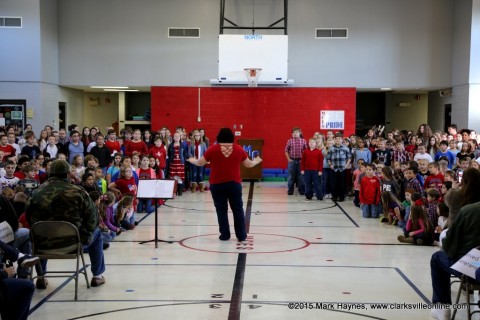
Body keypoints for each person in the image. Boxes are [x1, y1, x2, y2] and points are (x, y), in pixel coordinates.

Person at [25, 159, 106, 288]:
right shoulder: (78, 192)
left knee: (40, 231)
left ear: (50, 173)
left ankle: (41, 276)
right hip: (72, 244)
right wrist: (84, 235)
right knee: (97, 234)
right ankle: (97, 276)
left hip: (42, 244)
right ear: (68, 174)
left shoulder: (36, 192)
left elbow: (28, 218)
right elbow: (93, 219)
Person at [187, 127, 262, 241]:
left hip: (217, 185)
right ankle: (241, 235)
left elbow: (200, 162)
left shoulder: (212, 149)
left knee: (221, 209)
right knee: (237, 209)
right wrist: (256, 161)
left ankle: (225, 235)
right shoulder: (239, 149)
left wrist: (192, 160)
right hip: (234, 184)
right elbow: (248, 164)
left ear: (219, 137)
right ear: (232, 137)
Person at [326, 132, 352, 202]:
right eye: (336, 139)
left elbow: (349, 157)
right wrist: (330, 164)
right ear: (334, 139)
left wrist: (346, 165)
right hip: (334, 169)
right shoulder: (331, 148)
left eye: (339, 139)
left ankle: (341, 196)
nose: (338, 140)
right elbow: (328, 158)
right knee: (333, 183)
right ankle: (334, 196)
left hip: (342, 169)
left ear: (342, 139)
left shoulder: (345, 148)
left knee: (342, 183)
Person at [284, 127, 307, 195]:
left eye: (296, 132)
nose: (295, 133)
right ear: (292, 134)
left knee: (301, 177)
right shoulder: (289, 141)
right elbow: (286, 151)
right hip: (292, 161)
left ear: (300, 133)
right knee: (291, 177)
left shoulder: (303, 141)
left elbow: (306, 151)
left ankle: (302, 191)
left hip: (300, 161)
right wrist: (288, 159)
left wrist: (303, 160)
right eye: (293, 132)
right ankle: (290, 191)